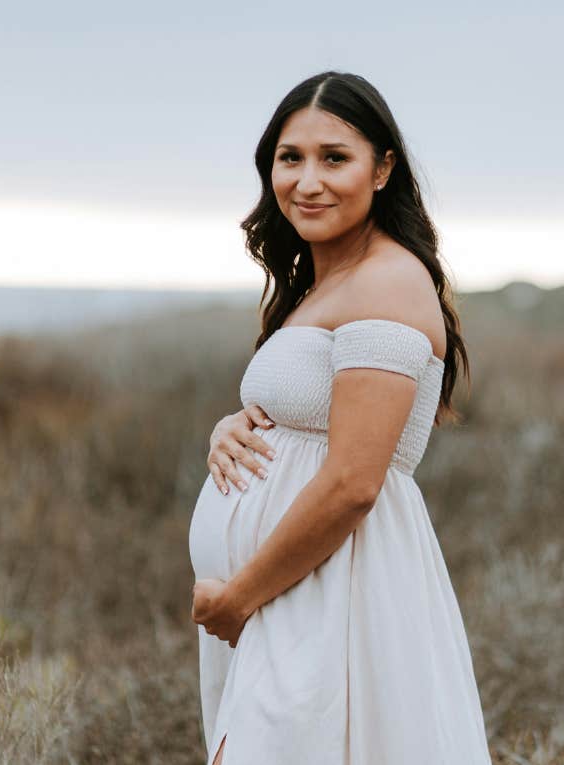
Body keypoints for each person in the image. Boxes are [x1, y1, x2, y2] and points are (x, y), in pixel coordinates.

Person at [188, 70, 492, 764]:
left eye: (335, 157)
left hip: (334, 589)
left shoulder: (387, 280)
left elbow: (356, 478)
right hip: (291, 590)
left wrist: (239, 597)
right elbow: (310, 418)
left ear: (383, 169)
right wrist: (230, 428)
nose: (307, 180)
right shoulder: (323, 283)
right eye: (289, 157)